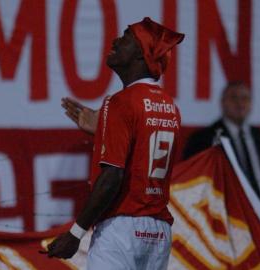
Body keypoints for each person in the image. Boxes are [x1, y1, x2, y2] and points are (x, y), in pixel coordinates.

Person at [41, 17, 184, 269]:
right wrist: (105, 131)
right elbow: (140, 156)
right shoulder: (169, 106)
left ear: (141, 55)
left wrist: (75, 234)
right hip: (158, 232)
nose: (116, 40)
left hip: (122, 230)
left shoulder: (120, 102)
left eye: (127, 37)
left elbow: (112, 177)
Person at [183, 81, 260, 216]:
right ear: (222, 103)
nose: (240, 103)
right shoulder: (204, 138)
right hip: (224, 214)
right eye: (234, 98)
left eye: (245, 98)